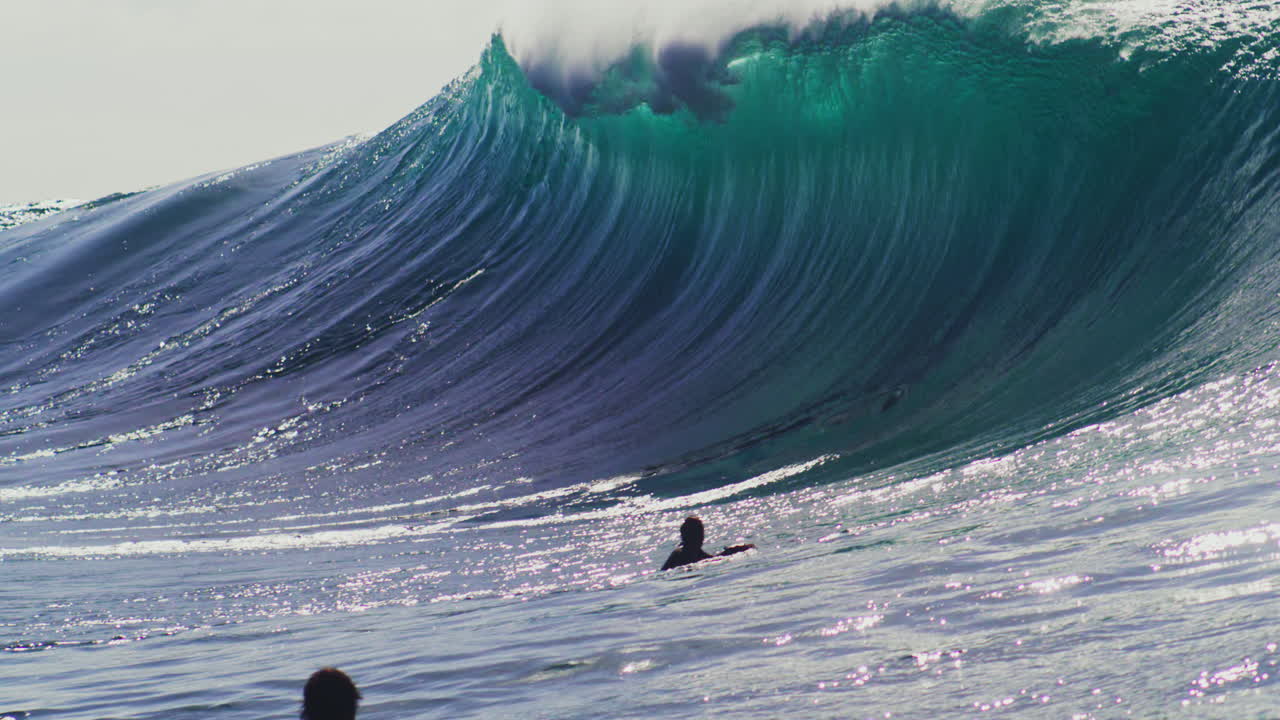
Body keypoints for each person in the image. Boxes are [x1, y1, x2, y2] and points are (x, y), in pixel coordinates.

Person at [660, 516, 755, 570]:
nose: (700, 537)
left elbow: (713, 559)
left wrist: (734, 550)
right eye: (697, 534)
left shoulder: (697, 553)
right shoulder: (678, 554)